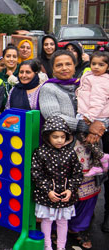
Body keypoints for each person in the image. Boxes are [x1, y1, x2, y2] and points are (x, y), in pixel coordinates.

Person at [38, 50, 109, 250]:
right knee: (65, 189)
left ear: (75, 65)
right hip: (64, 151)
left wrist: (100, 126)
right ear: (52, 68)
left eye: (68, 64)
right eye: (58, 65)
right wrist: (87, 126)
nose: (64, 68)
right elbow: (54, 118)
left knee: (90, 190)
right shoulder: (49, 88)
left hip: (90, 149)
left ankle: (78, 228)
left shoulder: (86, 83)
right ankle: (59, 228)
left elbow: (104, 107)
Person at [31, 116, 83, 250]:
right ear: (48, 136)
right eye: (55, 136)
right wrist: (48, 190)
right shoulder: (41, 152)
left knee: (63, 221)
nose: (60, 140)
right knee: (47, 220)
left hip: (65, 195)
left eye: (62, 136)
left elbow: (77, 173)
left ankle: (61, 247)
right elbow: (36, 173)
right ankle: (47, 246)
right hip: (47, 195)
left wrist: (70, 189)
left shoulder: (70, 153)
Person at [75, 49, 109, 177]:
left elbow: (98, 100)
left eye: (101, 65)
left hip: (95, 115)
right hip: (88, 112)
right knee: (92, 139)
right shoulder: (90, 75)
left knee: (83, 134)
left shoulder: (102, 80)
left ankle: (102, 157)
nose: (96, 67)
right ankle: (97, 164)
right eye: (93, 63)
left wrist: (90, 115)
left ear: (107, 66)